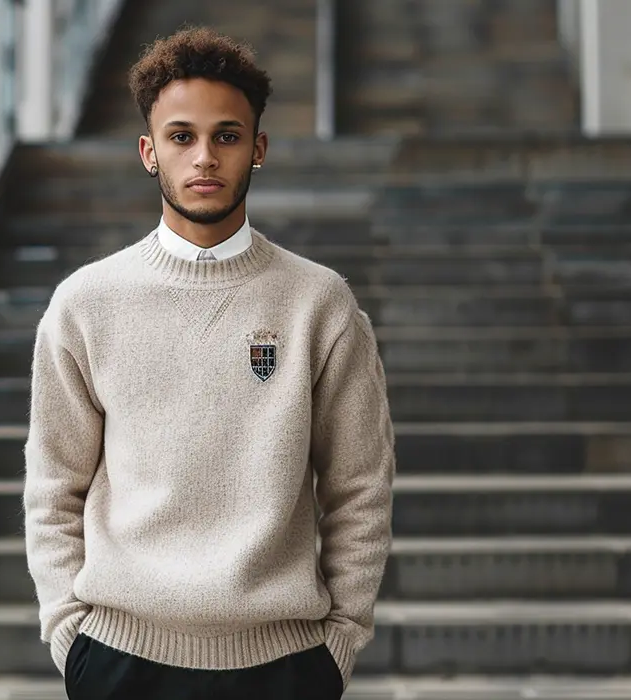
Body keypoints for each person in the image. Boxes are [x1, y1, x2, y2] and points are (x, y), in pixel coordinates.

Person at [23, 26, 395, 700]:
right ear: (148, 151)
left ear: (258, 148)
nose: (204, 157)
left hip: (283, 666)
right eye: (181, 136)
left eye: (226, 136)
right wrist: (68, 635)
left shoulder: (319, 303)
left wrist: (338, 643)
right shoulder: (85, 304)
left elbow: (359, 484)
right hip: (118, 660)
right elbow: (53, 486)